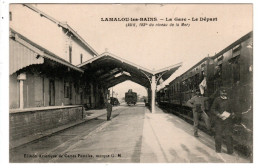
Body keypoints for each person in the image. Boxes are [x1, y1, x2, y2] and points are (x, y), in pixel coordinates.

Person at [211, 87, 234, 154]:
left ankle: (230, 151)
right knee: (218, 135)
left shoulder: (229, 100)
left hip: (228, 121)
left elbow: (232, 110)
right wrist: (218, 115)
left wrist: (232, 113)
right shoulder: (217, 100)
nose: (224, 93)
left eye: (225, 92)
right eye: (222, 92)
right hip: (219, 121)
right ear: (220, 92)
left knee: (228, 135)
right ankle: (218, 150)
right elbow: (213, 109)